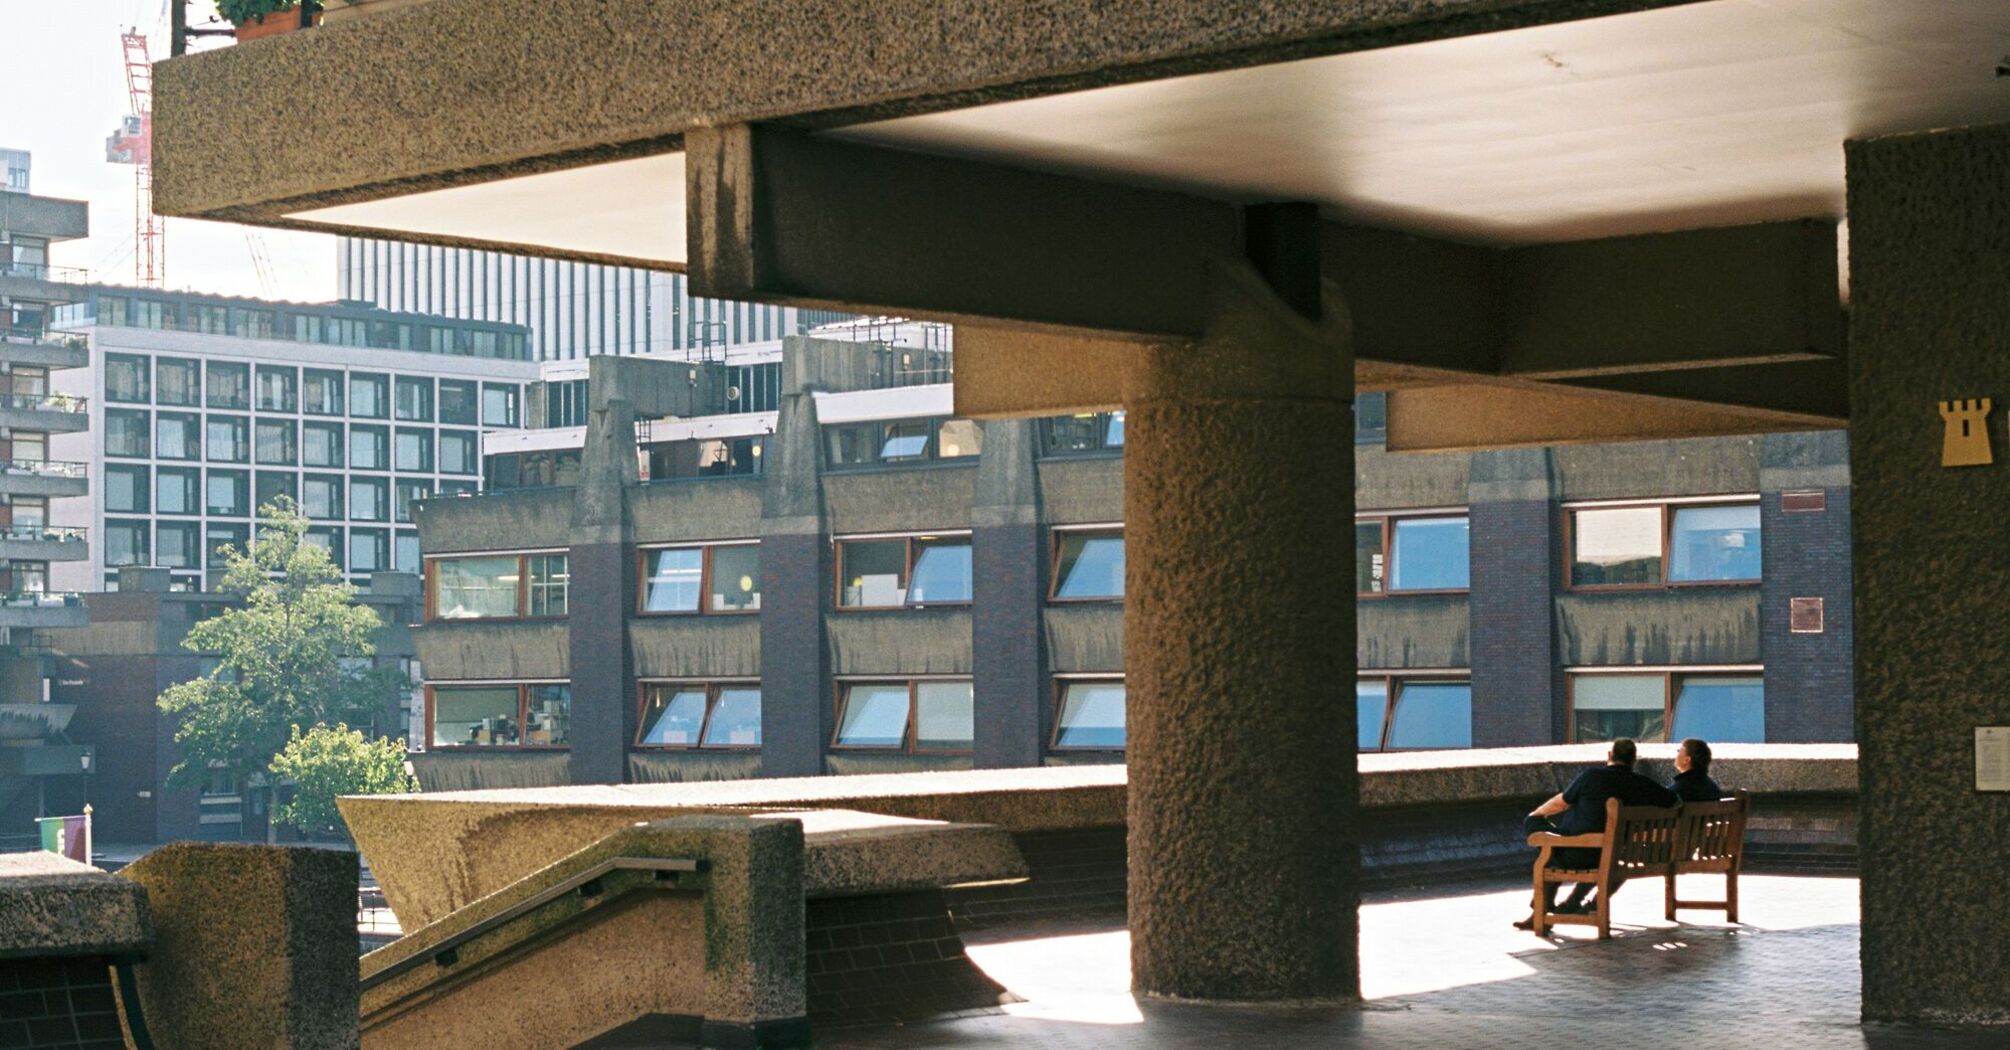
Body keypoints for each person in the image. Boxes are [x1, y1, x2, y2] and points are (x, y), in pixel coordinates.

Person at [1515, 738, 1678, 929]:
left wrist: (1537, 814)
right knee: (1556, 851)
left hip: (1577, 853)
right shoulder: (1642, 783)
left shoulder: (1592, 776)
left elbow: (1562, 802)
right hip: (1616, 855)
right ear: (1633, 760)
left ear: (1610, 756)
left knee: (1539, 834)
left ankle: (1541, 909)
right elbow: (1674, 801)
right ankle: (1562, 903)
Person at [1670, 737, 1723, 801]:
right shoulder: (1713, 788)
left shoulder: (1679, 789)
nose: (1677, 755)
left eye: (1679, 751)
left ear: (1687, 760)